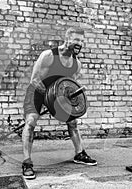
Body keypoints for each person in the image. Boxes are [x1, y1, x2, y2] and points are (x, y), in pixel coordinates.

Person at [22, 27, 97, 180]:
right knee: (31, 122)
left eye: (82, 41)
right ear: (67, 38)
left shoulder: (77, 64)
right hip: (37, 90)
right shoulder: (49, 55)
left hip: (57, 95)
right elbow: (35, 80)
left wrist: (61, 103)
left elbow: (69, 85)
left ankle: (79, 153)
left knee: (73, 122)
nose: (80, 44)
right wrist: (50, 102)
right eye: (76, 40)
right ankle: (27, 162)